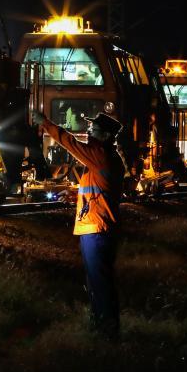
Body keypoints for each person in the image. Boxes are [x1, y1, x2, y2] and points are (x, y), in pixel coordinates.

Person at [32, 109, 124, 340]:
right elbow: (100, 191)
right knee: (99, 282)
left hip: (97, 229)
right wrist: (76, 198)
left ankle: (105, 331)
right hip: (98, 227)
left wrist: (47, 124)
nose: (88, 132)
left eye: (93, 129)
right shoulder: (105, 158)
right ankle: (104, 327)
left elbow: (69, 143)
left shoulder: (99, 154)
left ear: (104, 136)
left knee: (99, 283)